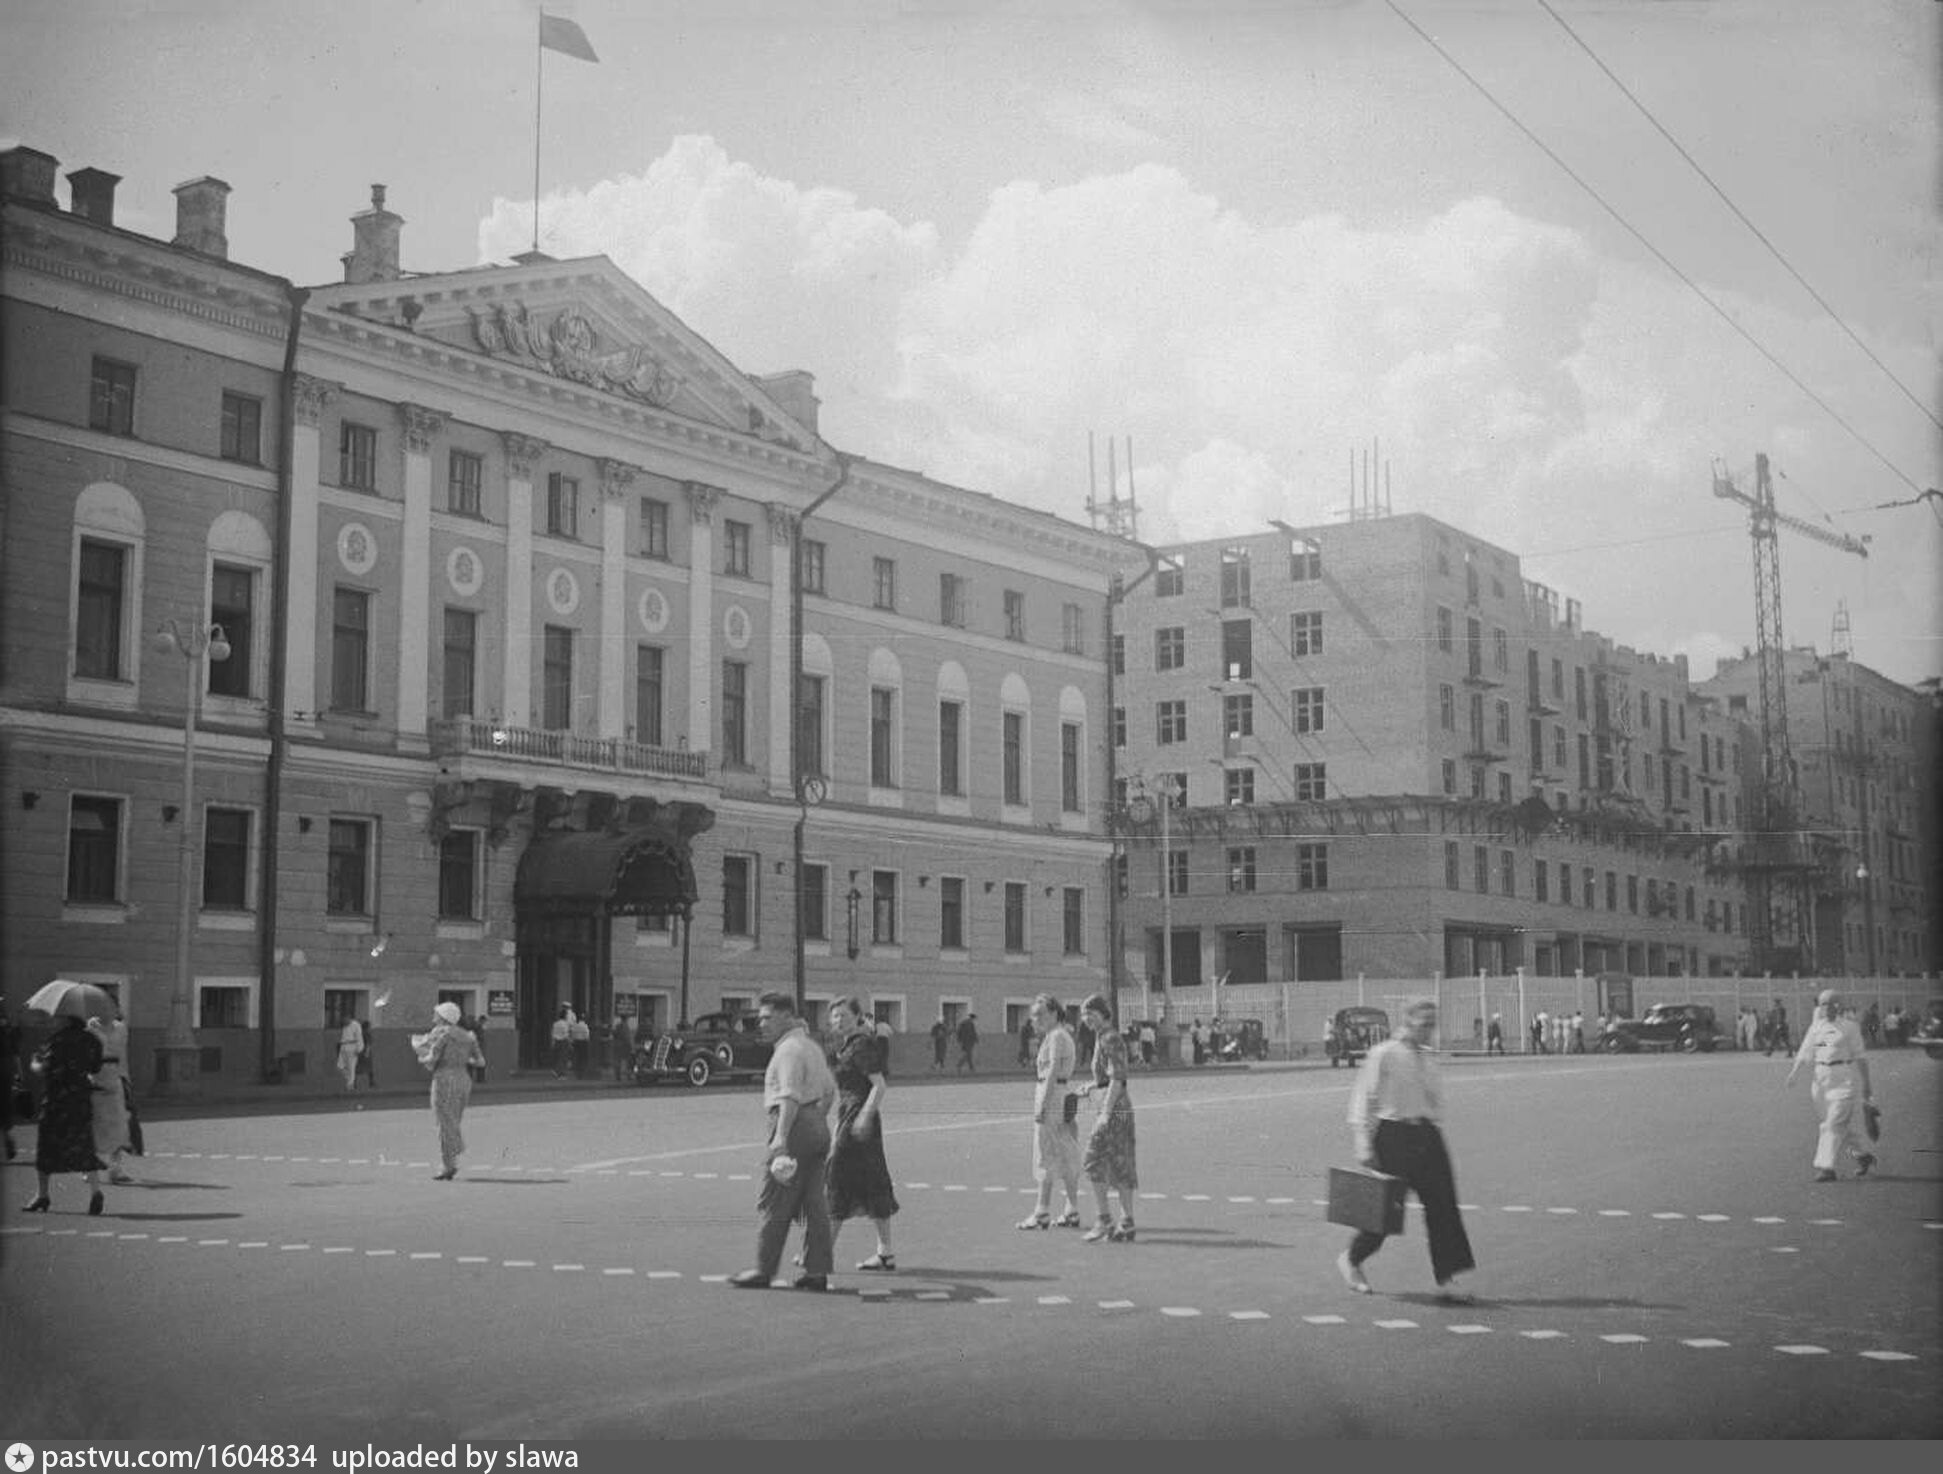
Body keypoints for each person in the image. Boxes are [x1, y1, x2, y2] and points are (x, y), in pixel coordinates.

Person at [1338, 999, 1477, 1303]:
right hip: (1393, 1136)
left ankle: (1447, 1276)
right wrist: (1363, 1144)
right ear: (1408, 1021)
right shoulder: (1384, 1054)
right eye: (1424, 1023)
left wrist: (1431, 1127)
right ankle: (1351, 1259)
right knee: (1383, 1213)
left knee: (1443, 1206)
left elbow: (1434, 1098)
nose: (1430, 1029)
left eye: (1433, 1023)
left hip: (1426, 1135)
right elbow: (1364, 1099)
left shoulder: (1428, 1057)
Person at [730, 992, 838, 1291]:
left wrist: (781, 1137)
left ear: (787, 1016)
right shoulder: (811, 1047)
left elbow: (789, 1095)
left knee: (775, 1200)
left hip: (792, 1124)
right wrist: (815, 1119)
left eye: (767, 1018)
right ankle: (817, 1272)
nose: (761, 1024)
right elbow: (830, 1090)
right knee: (816, 1204)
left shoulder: (788, 1050)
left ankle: (763, 1269)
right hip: (816, 1123)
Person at [824, 996, 899, 1272]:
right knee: (873, 1181)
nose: (838, 1020)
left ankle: (821, 1253)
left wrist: (864, 1117)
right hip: (849, 1118)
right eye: (834, 1016)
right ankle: (885, 1253)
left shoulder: (861, 1046)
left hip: (859, 1120)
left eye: (843, 1015)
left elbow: (879, 1086)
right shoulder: (845, 1047)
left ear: (857, 1017)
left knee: (836, 1179)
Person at [1783, 988, 1876, 1182]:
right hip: (1821, 1080)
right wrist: (1794, 1072)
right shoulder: (1817, 1028)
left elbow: (1860, 1056)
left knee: (1832, 1124)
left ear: (1839, 1005)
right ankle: (1863, 1155)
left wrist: (1867, 1085)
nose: (1826, 1007)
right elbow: (1807, 1050)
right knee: (1835, 1124)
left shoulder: (1850, 1028)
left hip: (1843, 1079)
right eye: (1822, 1003)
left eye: (1831, 1003)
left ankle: (1826, 1167)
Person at [24, 1014, 107, 1215]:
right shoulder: (91, 1040)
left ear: (66, 1019)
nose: (54, 1020)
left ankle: (42, 1195)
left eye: (58, 1017)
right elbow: (96, 1067)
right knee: (84, 1144)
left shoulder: (56, 1040)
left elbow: (44, 1068)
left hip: (56, 1101)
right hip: (80, 1100)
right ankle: (96, 1191)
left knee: (46, 1147)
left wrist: (34, 1062)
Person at [1017, 994, 1083, 1231]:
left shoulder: (1055, 1036)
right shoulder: (1060, 1034)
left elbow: (1053, 1069)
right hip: (1061, 1094)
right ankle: (1071, 1209)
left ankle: (1042, 1211)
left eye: (1041, 1014)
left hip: (1052, 1094)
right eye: (1034, 1015)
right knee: (1066, 1153)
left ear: (1054, 1013)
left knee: (1046, 1152)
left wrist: (1042, 1104)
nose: (1036, 1020)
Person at [1075, 994, 1138, 1242]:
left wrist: (1105, 1113)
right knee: (1120, 1163)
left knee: (1093, 1161)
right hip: (1118, 1107)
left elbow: (1118, 1078)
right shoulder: (1104, 1037)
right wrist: (1091, 1086)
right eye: (1083, 1014)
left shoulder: (1109, 1038)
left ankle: (1104, 1221)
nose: (1086, 1018)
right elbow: (1108, 1077)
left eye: (1090, 1012)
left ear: (1103, 1013)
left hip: (1113, 1109)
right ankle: (1127, 1222)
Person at [414, 1001, 485, 1180]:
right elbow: (480, 1062)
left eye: (437, 1013)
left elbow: (432, 1057)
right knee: (453, 1119)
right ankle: (451, 1159)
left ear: (444, 1016)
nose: (434, 1015)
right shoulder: (469, 1036)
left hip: (445, 1078)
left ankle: (449, 1163)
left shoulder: (442, 1033)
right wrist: (463, 1060)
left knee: (444, 1122)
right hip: (463, 1079)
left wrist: (421, 1057)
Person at [87, 1004, 136, 1184]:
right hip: (96, 1080)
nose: (108, 1012)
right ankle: (88, 1168)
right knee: (95, 1124)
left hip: (117, 1079)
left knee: (120, 1124)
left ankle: (116, 1169)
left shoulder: (122, 1028)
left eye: (112, 1007)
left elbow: (123, 1056)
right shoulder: (90, 1027)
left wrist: (126, 1079)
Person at [337, 1012, 364, 1090]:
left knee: (351, 1067)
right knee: (340, 1066)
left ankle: (350, 1085)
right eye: (343, 1020)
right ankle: (350, 1079)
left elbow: (359, 1037)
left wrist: (359, 1049)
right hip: (343, 1047)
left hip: (352, 1047)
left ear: (349, 1018)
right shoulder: (345, 1026)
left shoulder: (356, 1025)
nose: (343, 1021)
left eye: (345, 1019)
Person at [550, 1006, 573, 1078]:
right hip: (563, 1041)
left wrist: (553, 1042)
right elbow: (566, 1034)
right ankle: (560, 1073)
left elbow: (553, 1033)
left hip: (556, 1041)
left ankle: (556, 1070)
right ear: (565, 1016)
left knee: (557, 1057)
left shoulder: (555, 1024)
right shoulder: (565, 1024)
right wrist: (570, 1042)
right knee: (563, 1058)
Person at [355, 1018, 378, 1089]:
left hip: (359, 1052)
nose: (370, 1028)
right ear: (367, 1027)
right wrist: (367, 1053)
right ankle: (371, 1082)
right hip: (365, 1053)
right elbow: (368, 1044)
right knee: (369, 1068)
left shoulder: (359, 1033)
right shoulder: (367, 1034)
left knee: (357, 1069)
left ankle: (353, 1083)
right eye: (369, 1027)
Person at [611, 1013, 633, 1083]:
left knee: (618, 1061)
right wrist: (630, 1045)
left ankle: (618, 1076)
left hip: (617, 1045)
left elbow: (614, 1034)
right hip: (624, 1045)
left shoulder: (618, 1026)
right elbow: (626, 1037)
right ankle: (628, 1076)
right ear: (626, 1019)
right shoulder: (625, 1026)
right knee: (628, 1061)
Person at [570, 1010, 592, 1078]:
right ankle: (582, 1072)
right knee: (583, 1058)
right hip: (583, 1042)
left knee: (577, 1057)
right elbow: (587, 1036)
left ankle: (577, 1072)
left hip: (576, 1042)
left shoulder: (575, 1026)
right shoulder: (585, 1026)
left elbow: (572, 1034)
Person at [469, 1014, 490, 1085]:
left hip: (475, 1047)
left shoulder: (476, 1027)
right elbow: (480, 1037)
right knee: (480, 1063)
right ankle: (480, 1079)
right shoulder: (478, 1027)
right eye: (484, 1021)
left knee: (473, 1062)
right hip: (477, 1047)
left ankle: (475, 1078)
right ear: (482, 1020)